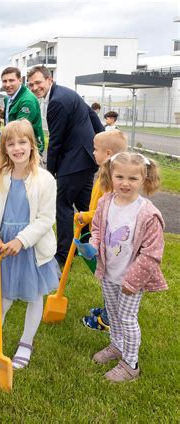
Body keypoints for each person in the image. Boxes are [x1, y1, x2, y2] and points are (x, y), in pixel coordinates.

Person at [76, 152, 167, 382]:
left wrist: (131, 283)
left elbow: (151, 255)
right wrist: (93, 246)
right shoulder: (106, 202)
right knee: (114, 314)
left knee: (127, 318)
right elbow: (97, 229)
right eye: (119, 177)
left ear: (144, 179)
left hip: (131, 280)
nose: (125, 183)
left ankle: (130, 363)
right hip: (109, 274)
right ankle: (117, 346)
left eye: (133, 179)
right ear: (110, 176)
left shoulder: (147, 214)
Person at [0, 120, 60, 369]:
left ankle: (26, 343)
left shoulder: (45, 180)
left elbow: (46, 219)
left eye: (22, 142)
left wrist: (21, 240)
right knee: (1, 299)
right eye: (11, 143)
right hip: (3, 247)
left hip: (31, 248)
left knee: (35, 297)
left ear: (32, 145)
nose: (17, 148)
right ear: (5, 148)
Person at [27, 65, 104, 266]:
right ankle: (92, 245)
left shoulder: (57, 102)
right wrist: (101, 141)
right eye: (31, 85)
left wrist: (49, 173)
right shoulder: (68, 93)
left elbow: (56, 141)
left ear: (49, 79)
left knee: (61, 205)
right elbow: (93, 115)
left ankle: (62, 255)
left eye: (38, 82)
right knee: (85, 206)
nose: (35, 87)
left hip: (74, 162)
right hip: (87, 158)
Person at [76, 130, 128, 332]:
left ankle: (107, 319)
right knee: (106, 276)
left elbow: (105, 210)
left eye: (95, 149)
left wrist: (87, 216)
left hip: (110, 238)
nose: (93, 152)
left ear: (107, 153)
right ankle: (108, 310)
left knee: (110, 277)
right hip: (102, 232)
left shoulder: (113, 180)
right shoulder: (105, 174)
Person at [0, 67, 44, 155]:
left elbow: (17, 131)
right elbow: (12, 119)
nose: (7, 84)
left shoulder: (27, 101)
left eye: (11, 80)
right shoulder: (8, 98)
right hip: (15, 148)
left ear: (20, 80)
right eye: (4, 81)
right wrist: (4, 114)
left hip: (28, 151)